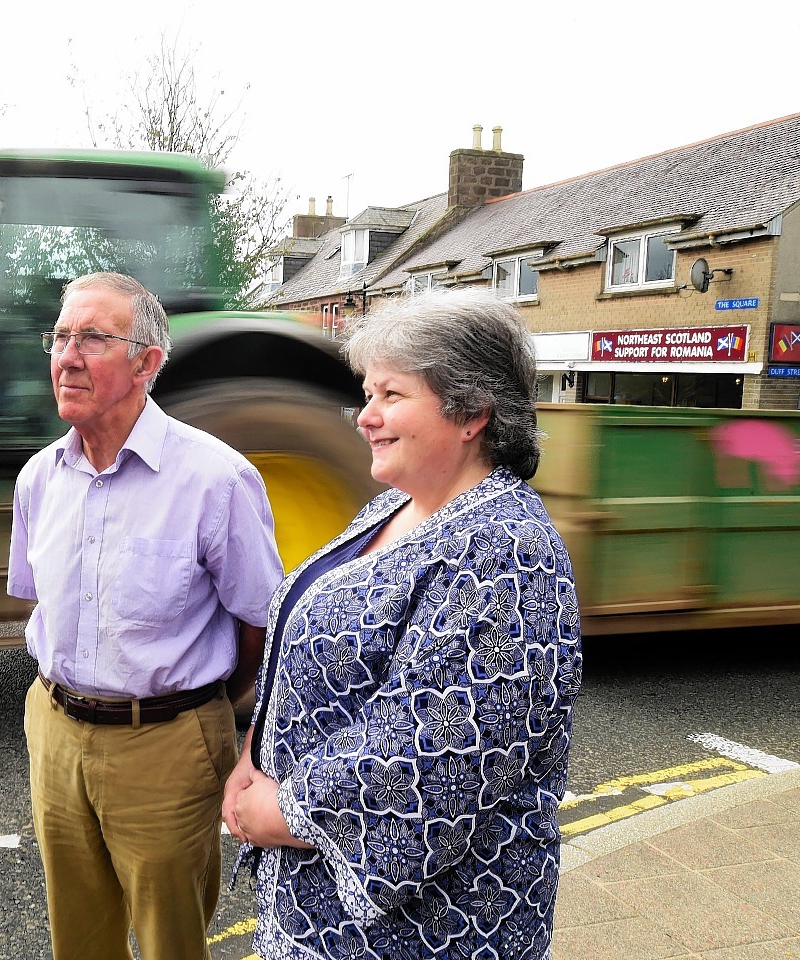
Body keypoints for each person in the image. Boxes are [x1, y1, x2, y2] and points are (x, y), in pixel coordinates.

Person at [223, 286, 582, 960]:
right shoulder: (393, 508)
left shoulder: (506, 553)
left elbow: (434, 751)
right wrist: (253, 754)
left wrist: (282, 809)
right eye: (367, 395)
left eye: (390, 395)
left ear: (471, 410)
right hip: (320, 916)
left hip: (427, 933)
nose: (365, 417)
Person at [7, 271, 284, 960]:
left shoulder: (215, 479)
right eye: (61, 336)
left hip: (167, 744)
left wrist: (205, 706)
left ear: (147, 363)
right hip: (55, 728)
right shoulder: (39, 477)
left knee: (170, 944)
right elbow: (41, 601)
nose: (67, 356)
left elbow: (262, 623)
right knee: (80, 938)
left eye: (93, 338)